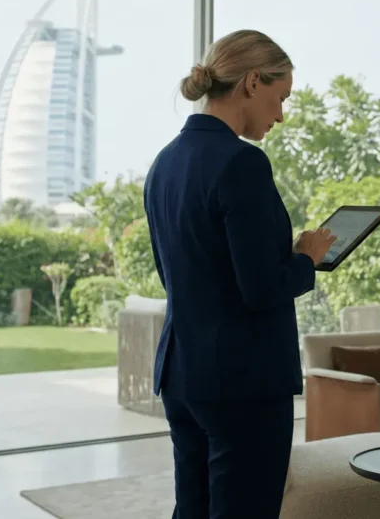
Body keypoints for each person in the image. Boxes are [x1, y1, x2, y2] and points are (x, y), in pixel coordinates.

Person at [143, 29, 336, 519]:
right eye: (280, 97)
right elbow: (260, 289)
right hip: (241, 382)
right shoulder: (242, 162)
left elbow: (177, 275)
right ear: (252, 82)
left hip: (182, 375)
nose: (281, 115)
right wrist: (306, 258)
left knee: (193, 509)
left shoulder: (164, 164)